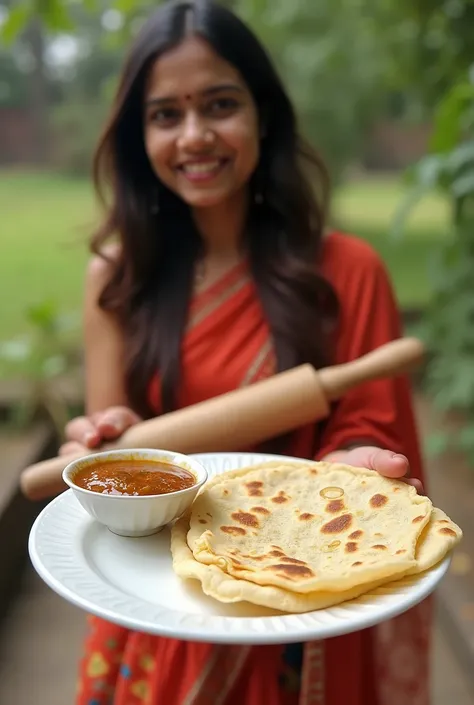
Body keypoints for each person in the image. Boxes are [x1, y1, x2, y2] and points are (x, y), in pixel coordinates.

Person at [61, 1, 430, 703]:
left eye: (220, 105)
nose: (194, 136)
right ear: (140, 136)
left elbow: (366, 424)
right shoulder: (117, 273)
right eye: (166, 114)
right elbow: (111, 422)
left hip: (293, 596)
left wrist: (350, 463)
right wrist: (98, 435)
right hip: (156, 604)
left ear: (264, 114)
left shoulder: (348, 271)